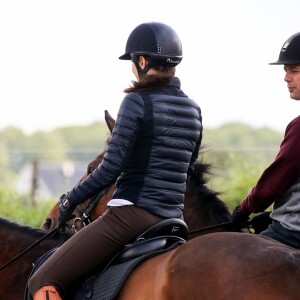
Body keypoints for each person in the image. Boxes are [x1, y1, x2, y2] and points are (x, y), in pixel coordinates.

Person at [28, 22, 202, 300]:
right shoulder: (193, 109)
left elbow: (111, 167)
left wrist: (69, 200)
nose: (133, 67)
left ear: (143, 62)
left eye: (134, 61)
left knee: (41, 279)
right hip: (174, 219)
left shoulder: (137, 101)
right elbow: (187, 171)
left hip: (131, 216)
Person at [232, 32, 300, 249]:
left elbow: (275, 180)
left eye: (294, 71)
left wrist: (244, 209)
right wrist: (272, 215)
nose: (286, 78)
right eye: (286, 71)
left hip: (293, 231)